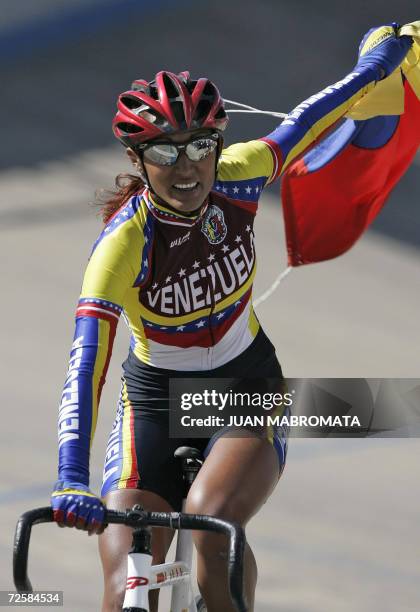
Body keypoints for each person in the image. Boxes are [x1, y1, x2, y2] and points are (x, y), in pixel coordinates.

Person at [51, 24, 412, 612]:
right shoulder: (123, 245)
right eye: (165, 150)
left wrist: (375, 67)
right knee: (124, 589)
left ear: (220, 141)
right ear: (137, 159)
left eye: (200, 144)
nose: (187, 165)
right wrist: (70, 476)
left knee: (209, 525)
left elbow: (314, 116)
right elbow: (85, 365)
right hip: (155, 402)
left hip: (244, 386)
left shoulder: (242, 171)